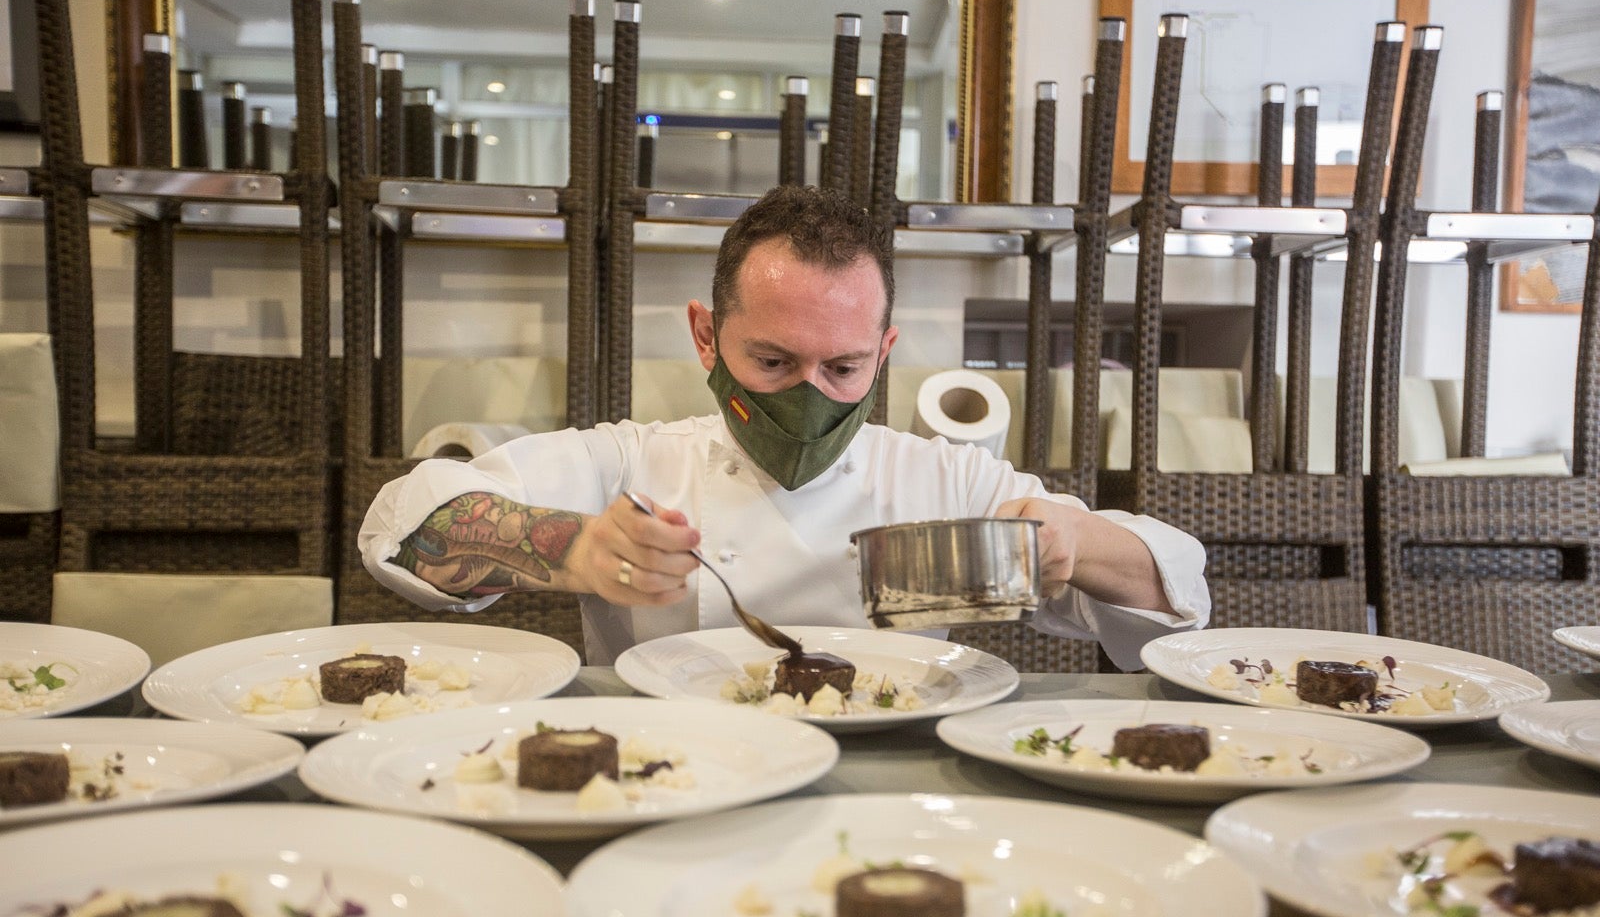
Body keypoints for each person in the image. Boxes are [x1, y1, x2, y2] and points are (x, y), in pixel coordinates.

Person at [360, 185, 1209, 668]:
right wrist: (568, 547)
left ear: (885, 351)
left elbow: (1177, 597)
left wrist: (1071, 540)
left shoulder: (945, 480)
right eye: (772, 361)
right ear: (705, 335)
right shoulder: (632, 460)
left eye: (842, 368)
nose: (808, 395)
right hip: (672, 771)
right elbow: (409, 519)